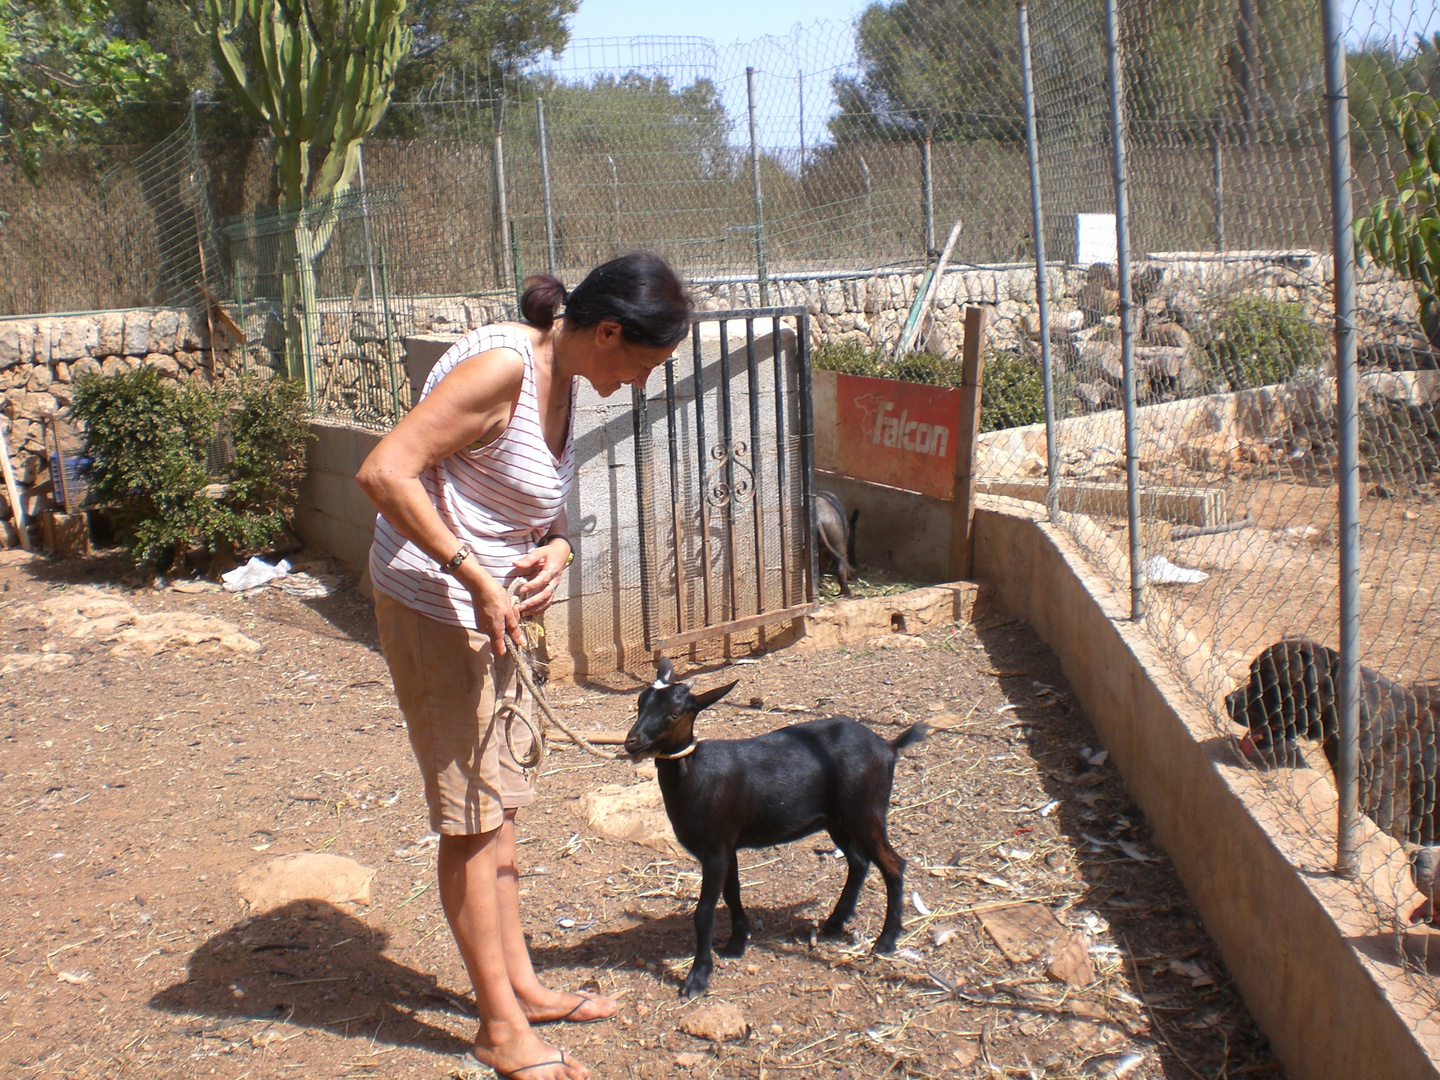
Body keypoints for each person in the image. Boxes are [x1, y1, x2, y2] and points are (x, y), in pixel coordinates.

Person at [356, 253, 692, 1080]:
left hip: (492, 612)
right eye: (644, 366)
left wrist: (559, 548)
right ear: (607, 331)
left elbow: (539, 497)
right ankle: (499, 1030)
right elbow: (384, 470)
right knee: (470, 821)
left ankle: (522, 989)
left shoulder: (563, 371)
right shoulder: (503, 367)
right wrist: (474, 571)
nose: (641, 385)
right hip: (437, 608)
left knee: (499, 811)